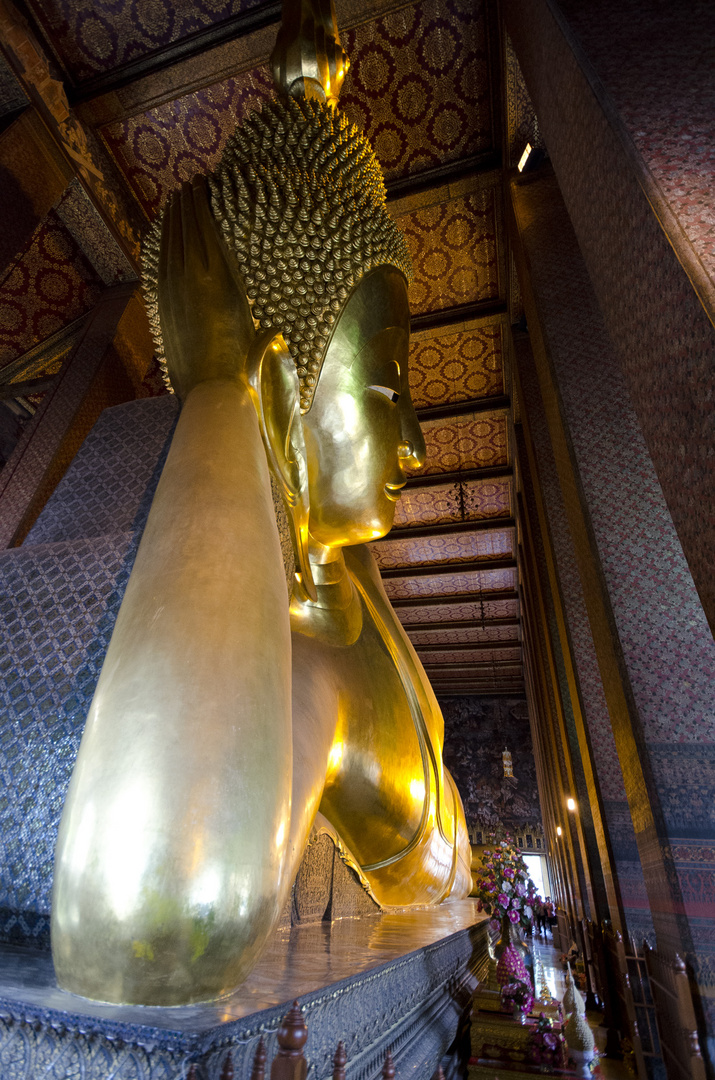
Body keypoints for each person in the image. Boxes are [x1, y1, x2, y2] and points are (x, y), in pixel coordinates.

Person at [50, 6, 471, 1007]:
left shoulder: (353, 589)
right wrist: (216, 394)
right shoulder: (296, 670)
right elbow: (141, 921)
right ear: (286, 401)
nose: (414, 441)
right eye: (386, 393)